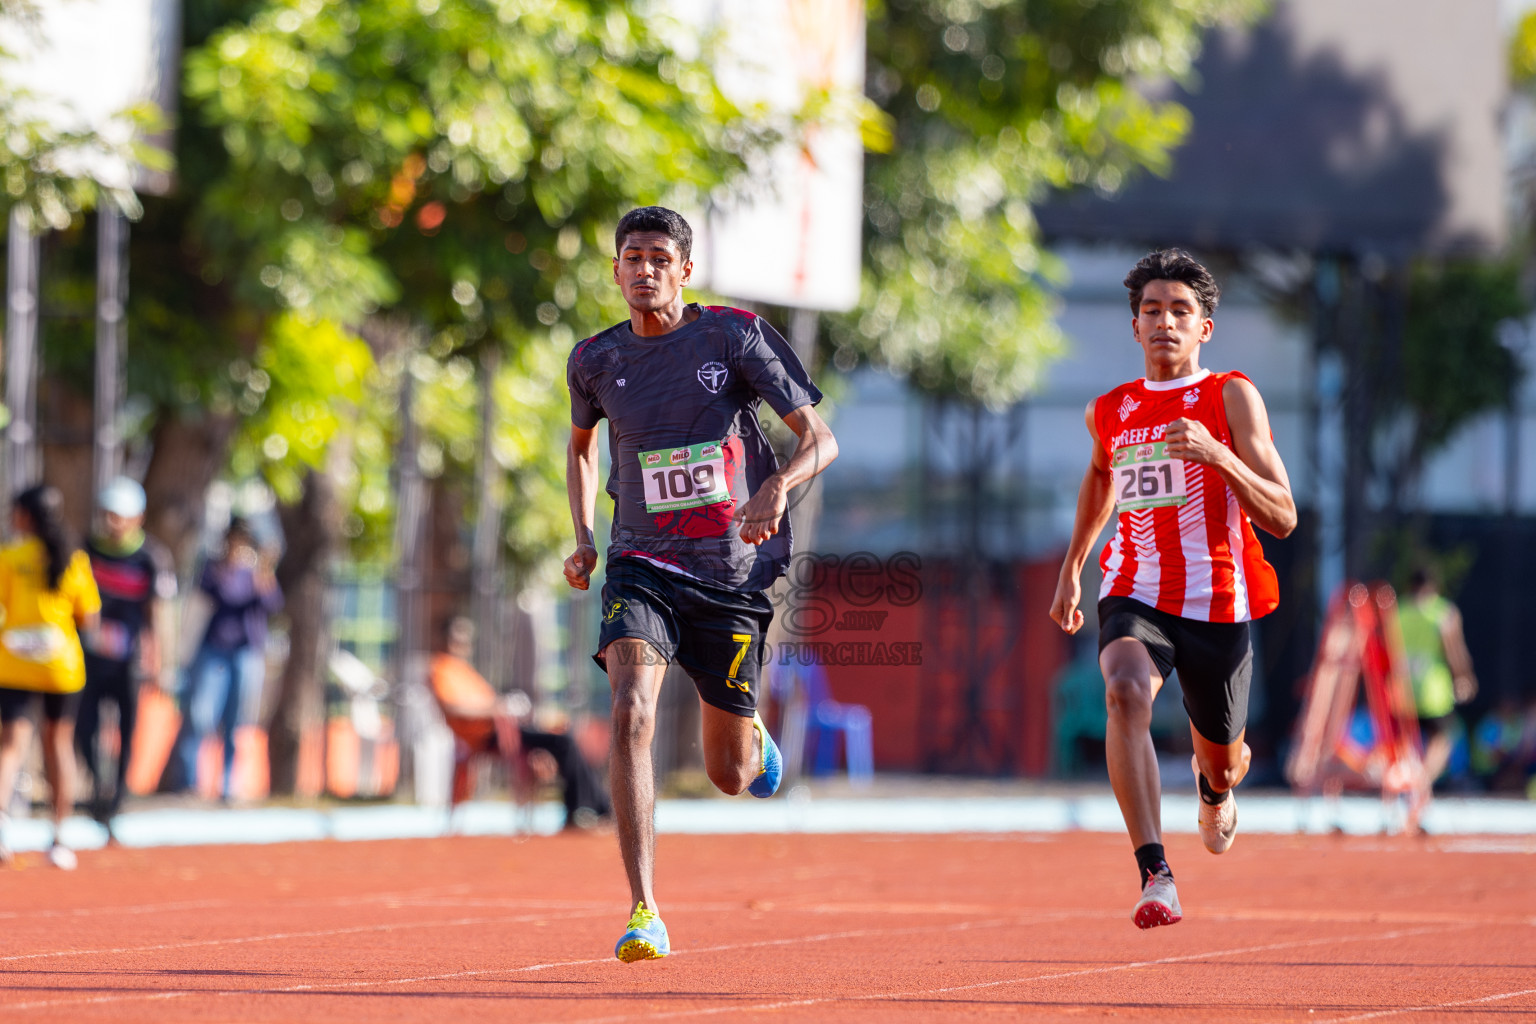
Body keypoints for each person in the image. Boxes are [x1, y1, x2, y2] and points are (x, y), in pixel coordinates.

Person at [565, 206, 837, 961]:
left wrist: (777, 486)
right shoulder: (593, 359)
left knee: (731, 776)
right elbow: (582, 448)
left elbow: (822, 438)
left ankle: (750, 731)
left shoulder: (733, 335)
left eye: (658, 257)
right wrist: (585, 536)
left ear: (685, 269)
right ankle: (643, 908)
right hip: (639, 562)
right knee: (629, 712)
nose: (643, 269)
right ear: (616, 270)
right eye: (631, 257)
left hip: (729, 570)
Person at [1049, 249, 1296, 929]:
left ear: (1204, 327)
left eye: (1180, 311)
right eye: (1152, 311)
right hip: (1134, 589)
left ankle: (1214, 788)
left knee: (1226, 759)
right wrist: (1075, 565)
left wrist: (1218, 455)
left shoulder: (1231, 396)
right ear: (1134, 326)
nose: (1165, 322)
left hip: (1218, 601)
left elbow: (1283, 514)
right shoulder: (1112, 410)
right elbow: (1101, 479)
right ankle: (1155, 873)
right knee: (1123, 691)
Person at [0, 485, 102, 869]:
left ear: (25, 515)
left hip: (14, 659)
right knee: (59, 744)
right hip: (61, 663)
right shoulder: (74, 559)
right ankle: (60, 837)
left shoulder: (10, 556)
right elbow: (89, 618)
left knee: (11, 744)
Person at [428, 616, 611, 828]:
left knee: (566, 737)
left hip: (505, 727)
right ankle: (584, 809)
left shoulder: (465, 670)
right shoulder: (441, 669)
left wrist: (506, 705)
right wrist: (497, 707)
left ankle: (593, 807)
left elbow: (491, 701)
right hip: (488, 735)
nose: (463, 645)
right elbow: (453, 707)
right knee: (563, 742)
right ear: (444, 639)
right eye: (456, 639)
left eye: (465, 640)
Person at [76, 477, 176, 837]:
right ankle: (98, 781)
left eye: (120, 516)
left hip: (129, 661)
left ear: (138, 518)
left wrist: (159, 662)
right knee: (83, 728)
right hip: (88, 657)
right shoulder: (85, 550)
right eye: (108, 515)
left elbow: (158, 614)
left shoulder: (152, 558)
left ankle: (115, 797)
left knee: (126, 728)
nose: (112, 523)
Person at [172, 518, 282, 800]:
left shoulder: (257, 573)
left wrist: (265, 569)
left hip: (246, 653)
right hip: (214, 650)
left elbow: (273, 604)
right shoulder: (214, 568)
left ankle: (228, 783)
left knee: (237, 720)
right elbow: (216, 596)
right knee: (200, 714)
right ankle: (190, 781)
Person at [1397, 566, 1477, 787]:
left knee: (1406, 742)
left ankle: (1409, 784)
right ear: (1433, 587)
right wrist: (1464, 677)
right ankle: (1420, 784)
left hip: (1401, 690)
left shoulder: (1397, 612)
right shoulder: (1442, 613)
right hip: (1432, 692)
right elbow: (1455, 651)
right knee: (1444, 738)